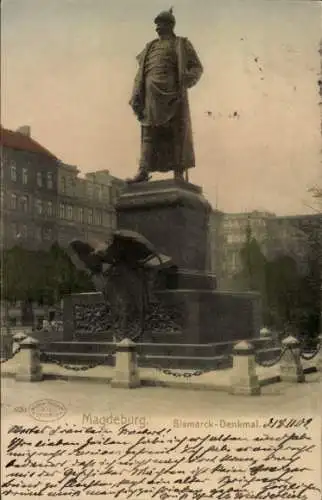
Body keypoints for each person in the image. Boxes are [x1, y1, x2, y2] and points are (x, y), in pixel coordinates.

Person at [127, 8, 203, 183]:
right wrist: (136, 95)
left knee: (176, 132)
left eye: (161, 24)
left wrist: (186, 79)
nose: (157, 28)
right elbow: (140, 73)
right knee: (148, 132)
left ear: (170, 25)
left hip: (174, 95)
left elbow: (197, 68)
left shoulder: (181, 44)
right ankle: (143, 170)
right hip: (150, 96)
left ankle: (178, 171)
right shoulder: (150, 47)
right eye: (156, 25)